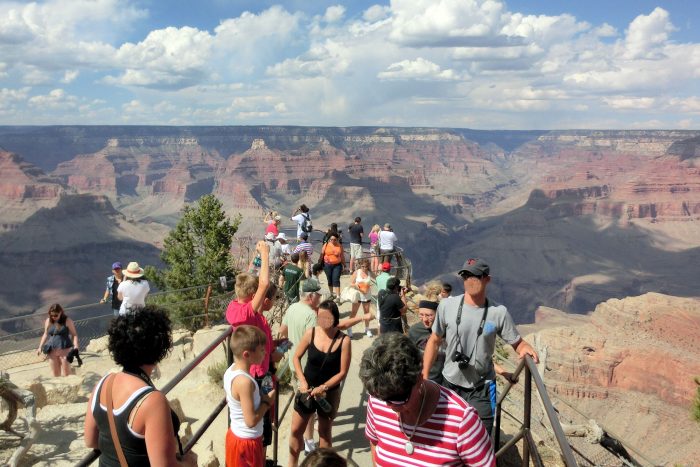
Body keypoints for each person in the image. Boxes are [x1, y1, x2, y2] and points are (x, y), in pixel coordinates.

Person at [423, 258, 539, 434]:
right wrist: (424, 376)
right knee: (447, 434)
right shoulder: (447, 305)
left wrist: (524, 348)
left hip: (481, 387)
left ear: (487, 279)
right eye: (466, 275)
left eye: (476, 276)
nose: (470, 280)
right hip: (450, 384)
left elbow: (517, 342)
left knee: (481, 436)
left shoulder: (498, 313)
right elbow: (434, 340)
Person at [84, 307, 196, 466]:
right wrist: (189, 463)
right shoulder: (152, 401)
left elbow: (90, 441)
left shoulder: (103, 384)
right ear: (159, 348)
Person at [360, 333, 495, 466]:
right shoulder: (377, 400)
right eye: (382, 397)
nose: (390, 405)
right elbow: (375, 442)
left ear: (419, 378)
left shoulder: (463, 421)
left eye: (398, 398)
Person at [226, 241, 283, 451]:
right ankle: (263, 449)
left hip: (259, 366)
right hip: (261, 372)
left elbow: (246, 279)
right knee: (265, 410)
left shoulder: (234, 307)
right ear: (253, 298)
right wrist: (266, 254)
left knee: (266, 409)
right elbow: (263, 284)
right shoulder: (248, 313)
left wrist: (256, 258)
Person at [289, 300, 351, 467]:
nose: (322, 321)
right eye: (320, 317)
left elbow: (342, 372)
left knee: (324, 433)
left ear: (335, 318)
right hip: (307, 390)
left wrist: (323, 388)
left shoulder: (344, 341)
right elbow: (296, 357)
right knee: (296, 431)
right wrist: (302, 381)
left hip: (328, 393)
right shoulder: (311, 333)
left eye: (327, 317)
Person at [225, 325, 276, 467]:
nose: (265, 353)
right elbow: (251, 420)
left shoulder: (231, 371)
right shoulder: (244, 382)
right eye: (261, 350)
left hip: (237, 437)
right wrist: (267, 402)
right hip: (246, 442)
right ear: (247, 354)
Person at [408, 299, 445, 384]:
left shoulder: (446, 330)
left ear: (438, 314)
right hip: (423, 378)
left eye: (429, 315)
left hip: (444, 379)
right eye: (421, 315)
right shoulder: (415, 331)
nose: (424, 319)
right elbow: (410, 357)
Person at [36, 304, 79, 377]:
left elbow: (74, 334)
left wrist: (75, 347)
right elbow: (45, 334)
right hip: (52, 349)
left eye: (56, 315)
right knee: (55, 374)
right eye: (51, 315)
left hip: (64, 349)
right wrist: (40, 347)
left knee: (67, 374)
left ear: (61, 313)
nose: (53, 317)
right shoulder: (48, 320)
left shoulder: (67, 321)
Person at [348, 258, 373, 338]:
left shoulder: (369, 273)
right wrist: (358, 287)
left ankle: (367, 329)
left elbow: (377, 278)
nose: (364, 268)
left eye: (366, 266)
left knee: (366, 312)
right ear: (360, 266)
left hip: (367, 295)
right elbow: (351, 283)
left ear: (368, 266)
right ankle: (349, 328)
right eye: (362, 266)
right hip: (358, 295)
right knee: (353, 313)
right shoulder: (357, 272)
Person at [320, 234, 344, 300]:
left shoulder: (339, 246)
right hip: (327, 265)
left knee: (336, 279)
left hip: (337, 265)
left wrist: (344, 264)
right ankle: (331, 294)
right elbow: (322, 254)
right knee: (329, 279)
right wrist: (320, 263)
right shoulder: (326, 245)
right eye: (331, 239)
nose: (333, 241)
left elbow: (342, 256)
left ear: (337, 239)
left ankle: (338, 296)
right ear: (329, 239)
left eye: (334, 240)